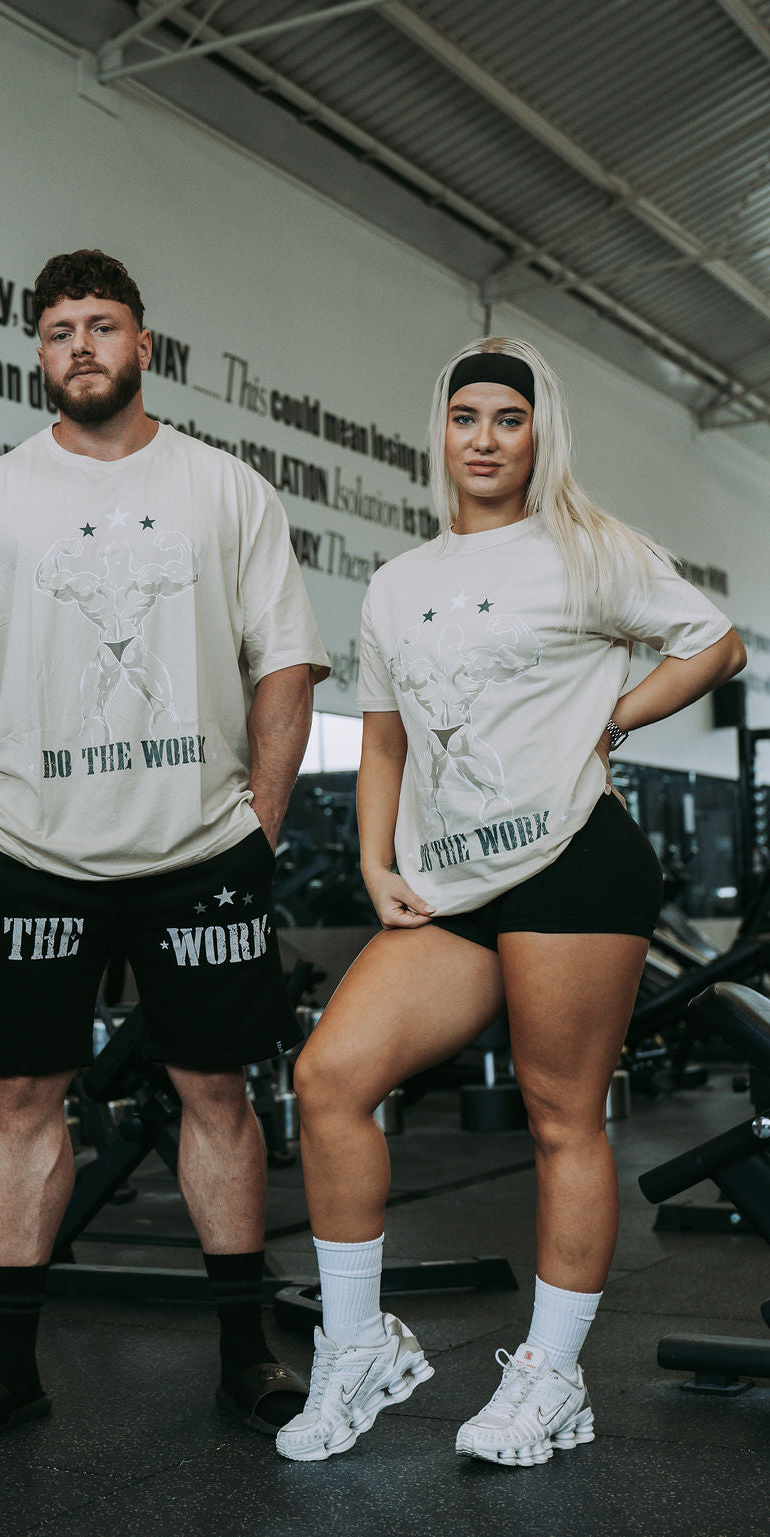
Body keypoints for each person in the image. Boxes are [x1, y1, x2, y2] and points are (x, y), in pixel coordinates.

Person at [275, 338, 746, 1468]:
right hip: (453, 883)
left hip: (576, 862)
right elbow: (381, 730)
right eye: (464, 417)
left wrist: (613, 720)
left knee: (557, 1118)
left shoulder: (586, 551)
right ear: (439, 433)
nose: (483, 438)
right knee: (328, 1078)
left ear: (539, 435)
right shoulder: (398, 582)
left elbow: (715, 643)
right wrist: (377, 860)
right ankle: (358, 1349)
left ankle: (548, 1378)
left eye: (507, 419)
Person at [0, 248, 330, 1450]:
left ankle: (245, 1358)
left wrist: (261, 816)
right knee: (23, 1094)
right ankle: (10, 1366)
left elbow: (283, 660)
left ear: (145, 344)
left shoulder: (225, 489)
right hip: (28, 848)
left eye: (101, 324)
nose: (79, 345)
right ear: (39, 355)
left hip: (199, 848)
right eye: (57, 330)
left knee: (216, 1089)